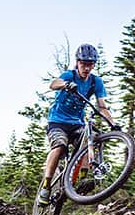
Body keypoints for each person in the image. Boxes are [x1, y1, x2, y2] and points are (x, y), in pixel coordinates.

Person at [37, 43, 117, 205]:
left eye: (90, 64)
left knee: (91, 139)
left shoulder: (96, 82)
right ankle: (46, 186)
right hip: (57, 121)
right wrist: (66, 85)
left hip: (77, 123)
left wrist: (113, 124)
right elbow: (53, 84)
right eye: (83, 64)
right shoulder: (70, 75)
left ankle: (79, 179)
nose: (86, 68)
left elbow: (102, 106)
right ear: (77, 63)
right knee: (59, 146)